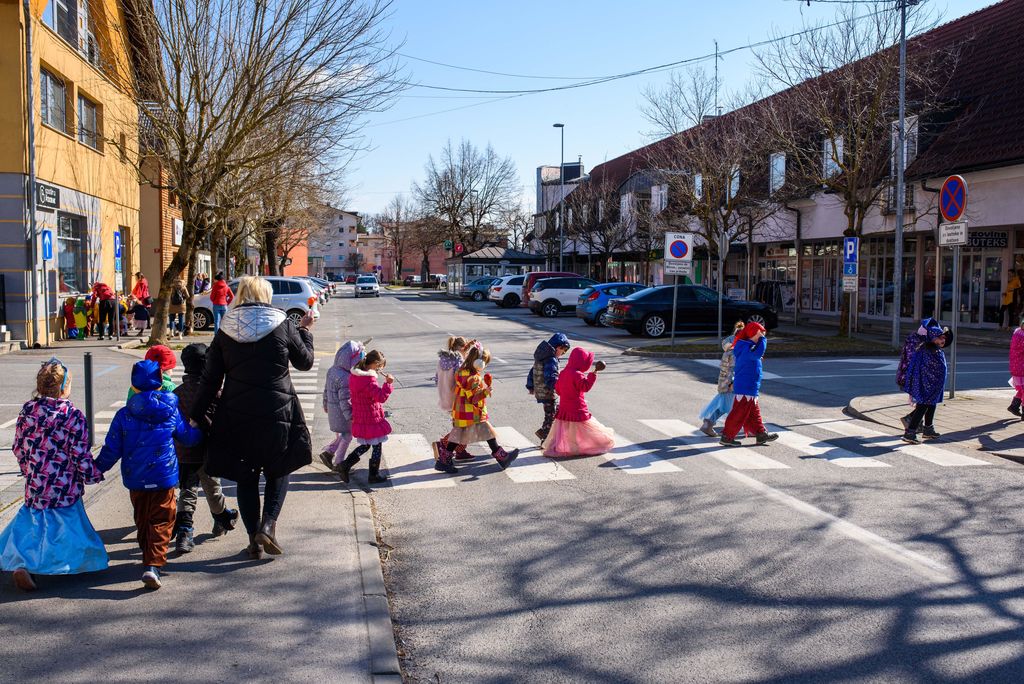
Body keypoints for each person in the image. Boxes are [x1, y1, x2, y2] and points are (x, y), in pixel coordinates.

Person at [191, 276, 315, 560]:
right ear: (266, 295)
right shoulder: (283, 323)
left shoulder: (226, 327)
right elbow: (305, 362)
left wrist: (196, 415)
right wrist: (305, 331)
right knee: (279, 469)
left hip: (237, 412)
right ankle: (268, 526)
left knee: (245, 477)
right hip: (278, 410)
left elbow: (210, 380)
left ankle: (253, 542)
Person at [0, 359, 107, 592]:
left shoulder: (28, 410)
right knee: (65, 528)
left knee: (34, 525)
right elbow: (79, 453)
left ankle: (22, 563)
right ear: (64, 388)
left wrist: (27, 469)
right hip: (64, 484)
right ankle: (57, 563)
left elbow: (19, 446)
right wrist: (92, 474)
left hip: (37, 482)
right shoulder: (71, 415)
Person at [96, 360, 201, 590]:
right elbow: (187, 437)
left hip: (135, 476)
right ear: (160, 383)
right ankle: (153, 564)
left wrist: (96, 469)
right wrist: (198, 430)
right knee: (162, 519)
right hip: (164, 475)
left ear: (134, 386)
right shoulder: (170, 411)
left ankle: (148, 556)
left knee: (142, 517)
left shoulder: (124, 415)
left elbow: (111, 448)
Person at [172, 343, 239, 554]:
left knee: (187, 492)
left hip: (184, 452)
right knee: (213, 489)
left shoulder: (176, 394)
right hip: (208, 452)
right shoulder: (214, 392)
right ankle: (222, 518)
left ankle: (184, 531)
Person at [434, 344, 519, 473]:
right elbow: (473, 398)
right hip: (471, 411)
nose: (485, 365)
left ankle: (443, 461)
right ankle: (502, 457)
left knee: (459, 434)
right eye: (485, 362)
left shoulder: (462, 371)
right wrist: (485, 392)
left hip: (461, 410)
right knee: (486, 431)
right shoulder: (473, 378)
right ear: (479, 362)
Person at [542, 347, 615, 458]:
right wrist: (593, 374)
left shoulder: (563, 373)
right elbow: (585, 387)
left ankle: (556, 447)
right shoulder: (577, 374)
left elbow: (558, 390)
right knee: (587, 427)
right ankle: (599, 442)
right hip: (577, 407)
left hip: (564, 406)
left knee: (564, 429)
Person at [719, 322, 778, 447]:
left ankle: (761, 434)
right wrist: (763, 340)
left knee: (753, 413)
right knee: (738, 413)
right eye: (760, 334)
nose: (762, 336)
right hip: (746, 386)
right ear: (753, 334)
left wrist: (760, 340)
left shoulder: (747, 346)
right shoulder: (747, 347)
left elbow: (755, 356)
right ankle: (727, 436)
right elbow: (758, 353)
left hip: (749, 386)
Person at [340, 350, 394, 484]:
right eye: (379, 367)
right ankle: (373, 474)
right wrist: (388, 384)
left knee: (366, 445)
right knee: (377, 445)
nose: (379, 370)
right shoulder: (368, 380)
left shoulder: (355, 375)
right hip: (370, 417)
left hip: (361, 415)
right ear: (374, 364)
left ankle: (345, 465)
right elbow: (381, 397)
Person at [900, 322, 951, 444]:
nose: (943, 340)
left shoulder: (935, 349)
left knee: (932, 404)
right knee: (922, 406)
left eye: (944, 338)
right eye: (940, 338)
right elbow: (925, 369)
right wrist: (929, 382)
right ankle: (910, 432)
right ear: (932, 338)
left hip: (934, 385)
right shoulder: (927, 351)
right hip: (926, 384)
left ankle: (928, 429)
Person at [318, 340, 364, 472]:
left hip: (333, 409)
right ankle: (339, 463)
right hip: (342, 412)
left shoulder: (333, 370)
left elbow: (326, 389)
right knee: (347, 435)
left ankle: (329, 453)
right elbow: (345, 400)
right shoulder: (346, 377)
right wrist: (350, 415)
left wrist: (325, 403)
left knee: (345, 434)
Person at [431, 336, 475, 464]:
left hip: (445, 397)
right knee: (463, 426)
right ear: (463, 348)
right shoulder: (458, 360)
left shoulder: (442, 360)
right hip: (457, 399)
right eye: (467, 351)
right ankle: (442, 444)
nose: (467, 353)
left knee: (459, 424)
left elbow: (437, 379)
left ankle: (460, 450)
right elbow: (461, 379)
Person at [699, 321, 745, 437]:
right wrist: (733, 382)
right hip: (732, 383)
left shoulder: (728, 351)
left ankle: (708, 424)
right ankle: (732, 431)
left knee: (724, 406)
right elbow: (735, 369)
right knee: (735, 408)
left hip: (724, 382)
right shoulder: (735, 352)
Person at [526, 333, 570, 442]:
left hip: (542, 391)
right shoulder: (551, 359)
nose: (563, 353)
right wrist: (559, 388)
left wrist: (530, 386)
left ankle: (546, 434)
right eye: (563, 350)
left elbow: (533, 371)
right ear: (557, 347)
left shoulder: (542, 356)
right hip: (548, 392)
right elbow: (551, 378)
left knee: (553, 412)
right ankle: (545, 438)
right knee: (551, 416)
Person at [1009, 318, 1024, 417]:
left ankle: (1014, 406)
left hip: (1016, 367)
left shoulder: (1017, 333)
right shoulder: (1022, 336)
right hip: (1021, 367)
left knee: (1022, 389)